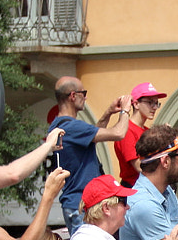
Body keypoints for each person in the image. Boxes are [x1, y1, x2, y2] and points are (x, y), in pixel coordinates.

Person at [48, 76, 131, 231]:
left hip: (75, 203)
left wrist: (108, 113)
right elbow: (119, 133)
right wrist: (125, 110)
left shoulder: (60, 125)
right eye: (83, 93)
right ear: (73, 96)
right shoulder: (72, 127)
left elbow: (92, 137)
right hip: (81, 204)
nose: (86, 97)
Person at [112, 82, 166, 186]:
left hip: (146, 185)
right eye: (150, 102)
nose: (154, 107)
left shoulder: (146, 131)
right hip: (133, 188)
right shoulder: (127, 130)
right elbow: (138, 166)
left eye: (156, 103)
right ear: (136, 104)